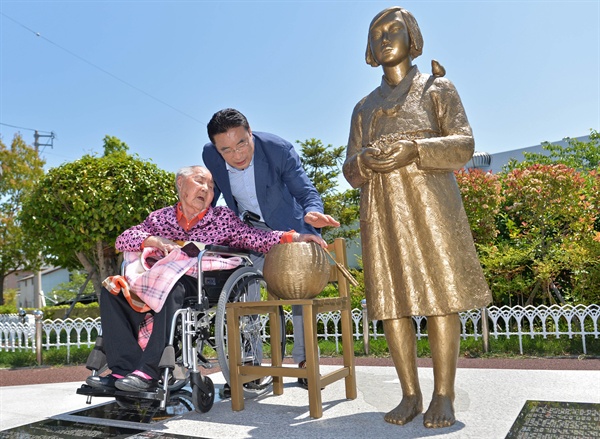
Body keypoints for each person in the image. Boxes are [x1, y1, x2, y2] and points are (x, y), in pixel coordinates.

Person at [343, 7, 492, 429]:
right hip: (383, 208)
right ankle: (410, 394)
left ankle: (444, 393)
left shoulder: (436, 88)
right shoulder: (363, 107)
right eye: (376, 33)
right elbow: (349, 168)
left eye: (395, 29)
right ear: (369, 49)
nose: (385, 38)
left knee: (441, 296)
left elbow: (463, 145)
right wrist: (365, 160)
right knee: (392, 303)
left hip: (431, 204)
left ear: (413, 37)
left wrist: (416, 150)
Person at [86, 165, 325, 393]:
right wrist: (153, 241)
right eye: (200, 181)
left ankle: (149, 372)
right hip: (160, 277)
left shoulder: (222, 217)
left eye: (211, 187)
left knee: (174, 287)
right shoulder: (160, 218)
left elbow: (253, 237)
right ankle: (123, 371)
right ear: (181, 183)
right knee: (112, 290)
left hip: (205, 279)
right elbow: (123, 239)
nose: (206, 189)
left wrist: (293, 237)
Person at [202, 108, 339, 387]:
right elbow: (210, 197)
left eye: (242, 143)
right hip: (249, 232)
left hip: (290, 229)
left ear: (250, 132)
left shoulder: (277, 149)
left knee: (298, 292)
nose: (237, 154)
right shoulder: (210, 156)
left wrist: (313, 212)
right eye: (226, 149)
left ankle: (304, 361)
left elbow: (306, 192)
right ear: (217, 149)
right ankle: (252, 364)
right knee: (244, 289)